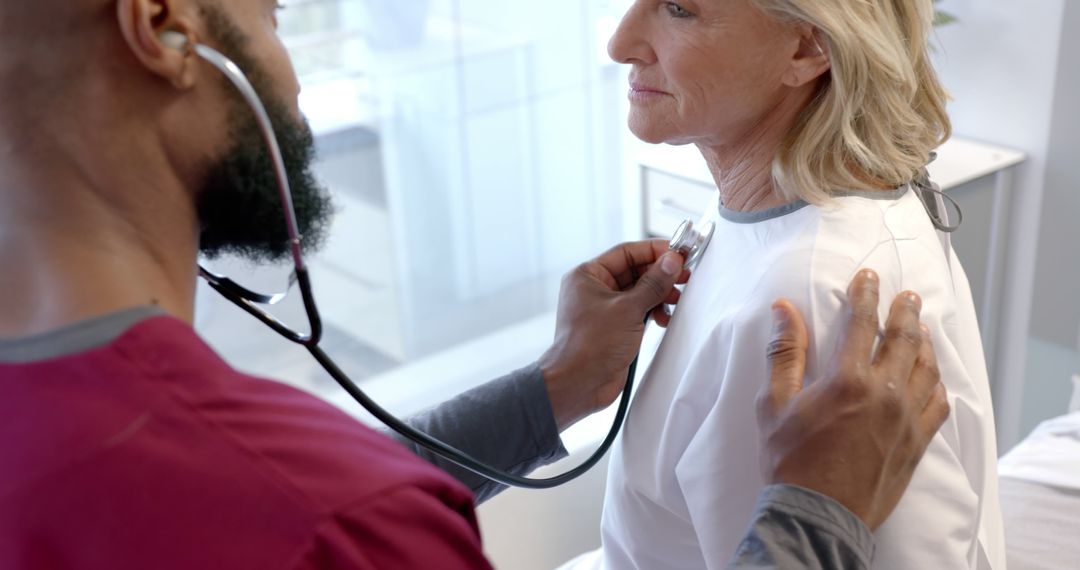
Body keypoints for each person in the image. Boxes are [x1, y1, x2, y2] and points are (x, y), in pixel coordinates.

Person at [0, 0, 945, 568]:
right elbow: (329, 512)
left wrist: (553, 389)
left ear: (810, 49)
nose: (619, 43)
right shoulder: (343, 526)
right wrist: (819, 518)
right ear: (163, 31)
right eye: (275, 15)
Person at [569, 0, 1004, 568]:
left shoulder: (808, 302)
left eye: (679, 9)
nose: (620, 43)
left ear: (807, 48)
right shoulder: (780, 200)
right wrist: (558, 381)